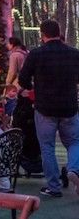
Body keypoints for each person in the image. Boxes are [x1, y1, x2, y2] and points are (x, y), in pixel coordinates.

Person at [17, 20, 79, 198]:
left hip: (45, 107)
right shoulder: (74, 53)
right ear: (59, 32)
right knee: (74, 142)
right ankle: (74, 169)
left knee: (47, 147)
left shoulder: (36, 54)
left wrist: (32, 88)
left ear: (42, 34)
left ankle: (54, 187)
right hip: (69, 107)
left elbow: (23, 79)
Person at [4, 37, 29, 116]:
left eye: (8, 43)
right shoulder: (26, 53)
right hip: (27, 84)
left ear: (12, 44)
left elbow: (12, 72)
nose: (7, 45)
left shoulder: (14, 55)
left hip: (17, 84)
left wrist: (7, 83)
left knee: (12, 107)